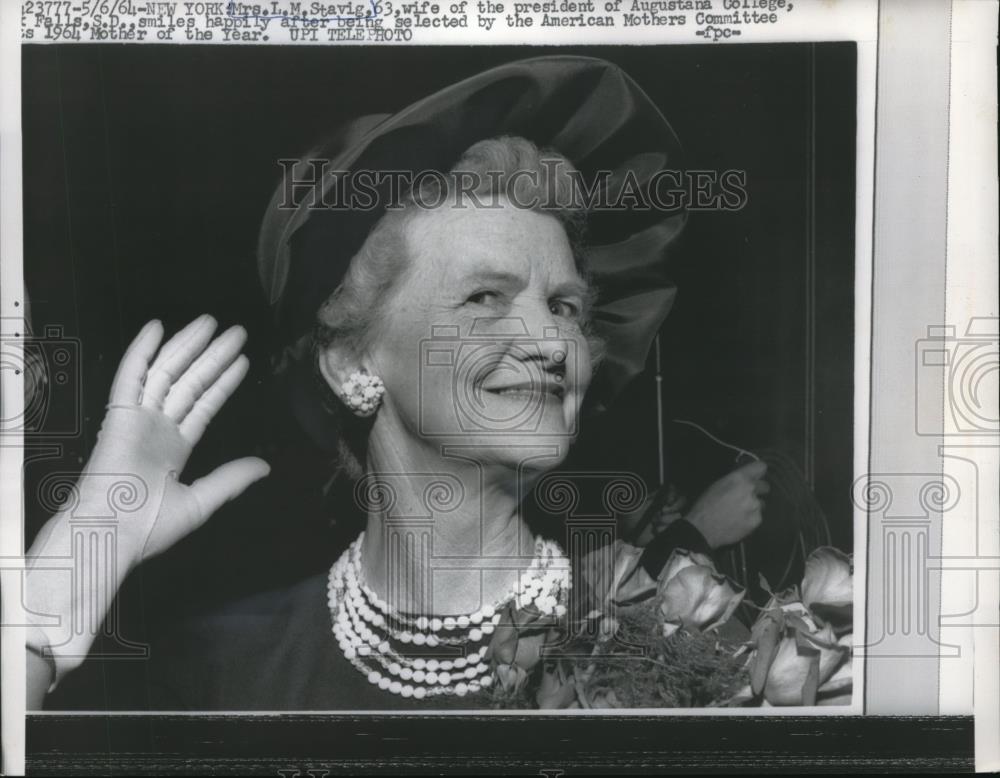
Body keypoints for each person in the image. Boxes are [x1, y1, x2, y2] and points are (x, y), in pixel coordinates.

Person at [25, 56, 768, 710]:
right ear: (353, 365)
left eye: (565, 305)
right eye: (484, 297)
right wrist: (69, 570)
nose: (551, 341)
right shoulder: (213, 676)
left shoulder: (685, 640)